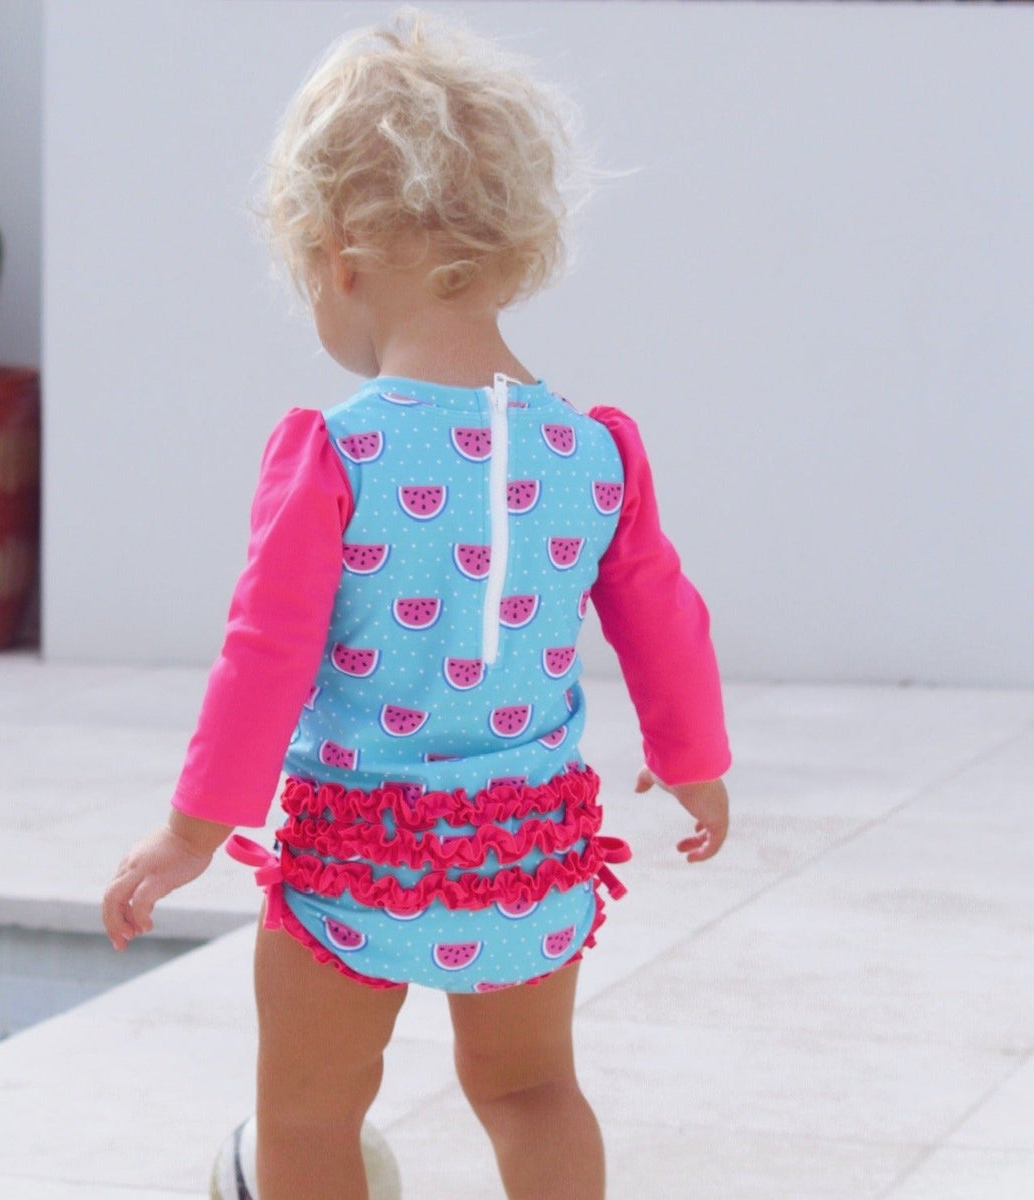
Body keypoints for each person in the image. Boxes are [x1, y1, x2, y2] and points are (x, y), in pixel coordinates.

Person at [102, 9, 731, 1199]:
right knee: (532, 1088)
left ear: (339, 259)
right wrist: (693, 759)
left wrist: (191, 832)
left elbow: (266, 655)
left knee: (306, 1115)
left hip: (358, 858)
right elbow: (662, 609)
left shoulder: (333, 459)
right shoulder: (594, 454)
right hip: (526, 850)